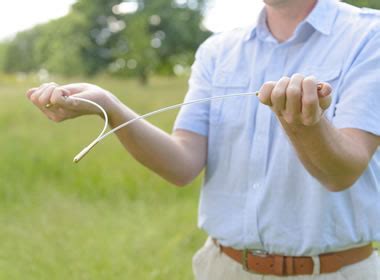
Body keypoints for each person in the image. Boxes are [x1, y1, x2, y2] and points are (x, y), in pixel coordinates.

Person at [27, 0, 380, 278]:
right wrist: (110, 106)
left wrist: (304, 124)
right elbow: (182, 164)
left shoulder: (369, 35)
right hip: (222, 269)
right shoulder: (217, 51)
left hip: (334, 273)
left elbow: (341, 172)